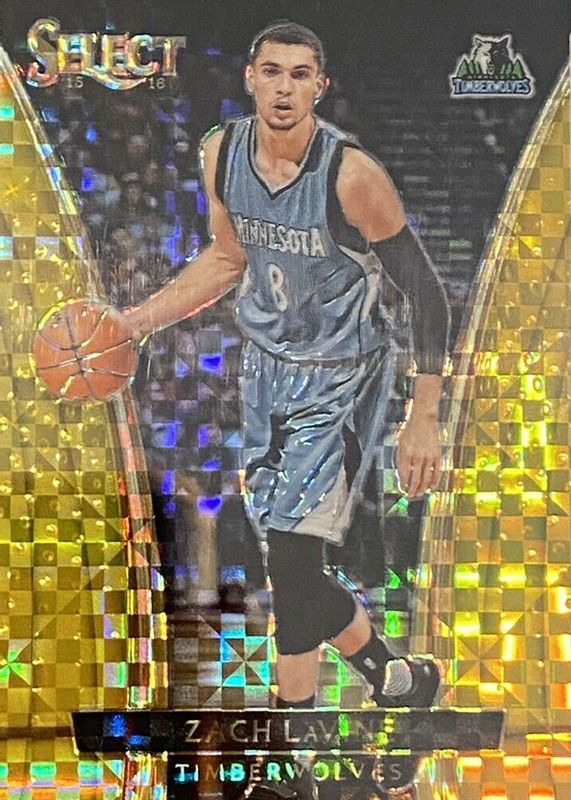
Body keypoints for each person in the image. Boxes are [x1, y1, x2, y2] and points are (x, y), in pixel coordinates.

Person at [124, 20, 450, 799]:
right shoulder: (220, 153)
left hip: (340, 381)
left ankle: (288, 764)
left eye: (300, 74)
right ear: (249, 77)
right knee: (294, 569)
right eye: (272, 71)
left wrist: (423, 413)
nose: (283, 87)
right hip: (265, 375)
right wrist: (133, 323)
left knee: (294, 567)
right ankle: (400, 679)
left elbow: (427, 293)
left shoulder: (351, 176)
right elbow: (226, 258)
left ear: (319, 88)